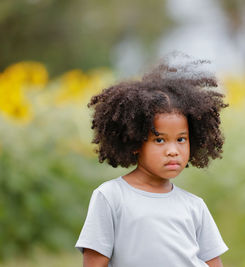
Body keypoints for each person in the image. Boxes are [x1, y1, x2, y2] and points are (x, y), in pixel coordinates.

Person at [75, 57, 229, 267]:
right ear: (136, 141)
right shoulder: (111, 197)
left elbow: (213, 263)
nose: (173, 151)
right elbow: (94, 262)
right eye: (159, 140)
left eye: (181, 139)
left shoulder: (194, 206)